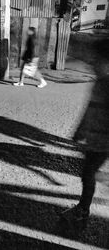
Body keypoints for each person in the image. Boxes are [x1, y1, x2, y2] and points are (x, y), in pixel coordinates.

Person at [61, 56, 109, 225]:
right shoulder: (100, 83)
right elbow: (90, 110)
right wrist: (80, 130)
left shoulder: (105, 85)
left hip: (101, 140)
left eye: (97, 62)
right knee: (88, 173)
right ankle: (83, 208)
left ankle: (83, 209)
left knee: (88, 173)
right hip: (95, 138)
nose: (93, 65)